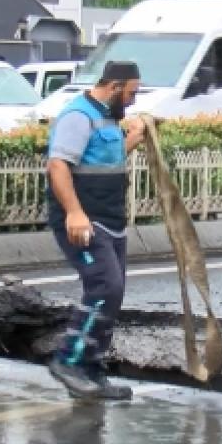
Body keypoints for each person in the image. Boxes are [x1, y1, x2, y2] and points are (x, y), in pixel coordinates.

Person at [45, 61, 146, 401]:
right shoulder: (79, 116)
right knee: (105, 286)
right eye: (131, 93)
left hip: (110, 221)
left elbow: (103, 159)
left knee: (113, 293)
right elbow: (58, 166)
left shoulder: (106, 118)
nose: (133, 101)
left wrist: (132, 140)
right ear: (115, 86)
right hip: (83, 221)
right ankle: (69, 361)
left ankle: (91, 370)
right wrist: (74, 213)